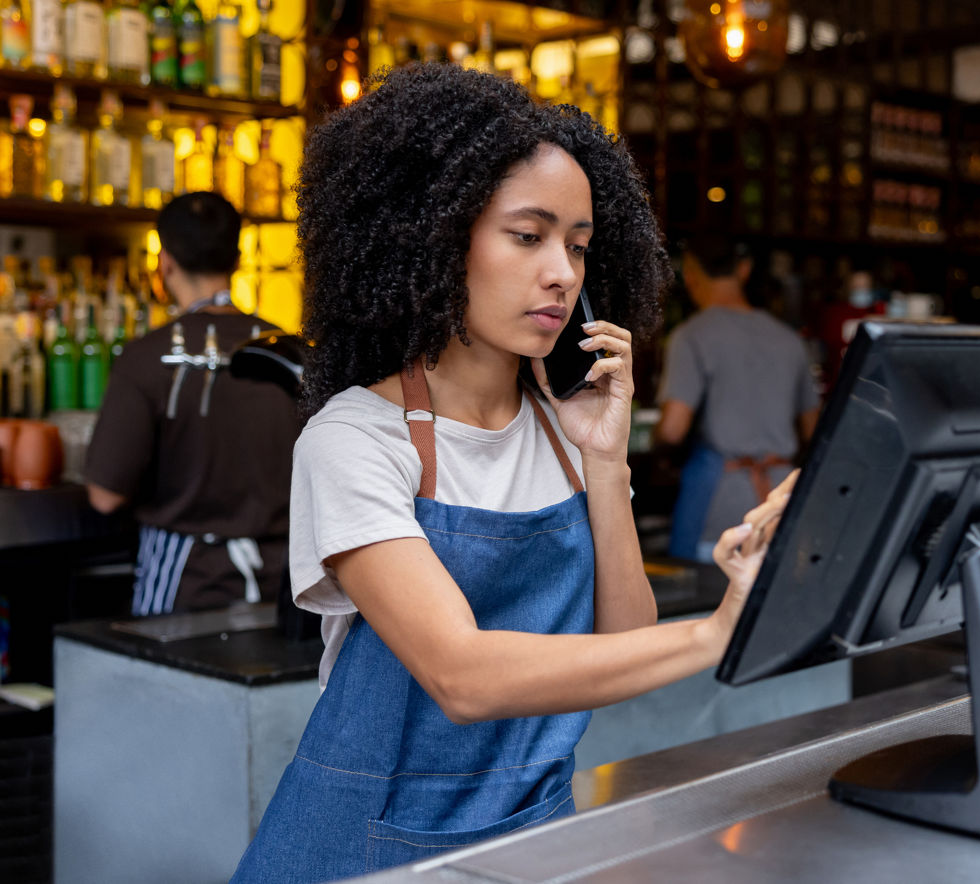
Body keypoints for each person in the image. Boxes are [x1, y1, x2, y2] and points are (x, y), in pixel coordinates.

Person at [230, 64, 795, 884]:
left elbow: (626, 646)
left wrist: (605, 461)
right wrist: (715, 633)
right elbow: (460, 675)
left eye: (578, 246)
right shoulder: (356, 438)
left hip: (530, 836)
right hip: (363, 849)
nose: (563, 273)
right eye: (528, 237)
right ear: (434, 235)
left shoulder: (571, 434)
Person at [84, 192, 302, 616]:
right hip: (286, 581)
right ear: (237, 258)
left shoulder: (148, 356)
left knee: (174, 684)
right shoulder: (290, 351)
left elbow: (105, 496)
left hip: (187, 583)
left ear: (163, 261)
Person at [655, 234, 822, 562]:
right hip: (781, 504)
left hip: (719, 506)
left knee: (708, 607)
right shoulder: (789, 341)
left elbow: (673, 429)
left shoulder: (691, 336)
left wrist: (656, 444)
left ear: (689, 273)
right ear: (743, 270)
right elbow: (815, 432)